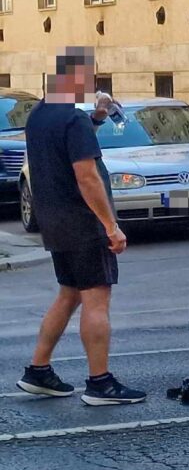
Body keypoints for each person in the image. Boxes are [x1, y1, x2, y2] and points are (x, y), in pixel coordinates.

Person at [16, 47, 144, 406]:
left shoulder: (39, 115)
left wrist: (99, 118)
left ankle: (38, 371)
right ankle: (100, 382)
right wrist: (111, 226)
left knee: (69, 293)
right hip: (83, 223)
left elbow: (61, 148)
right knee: (97, 299)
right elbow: (86, 177)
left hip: (54, 222)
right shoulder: (72, 119)